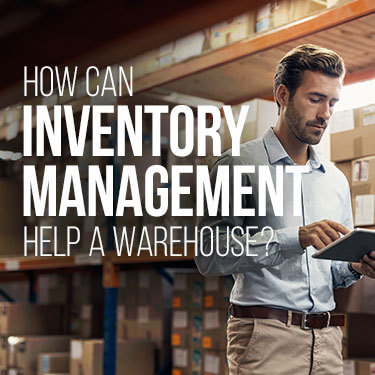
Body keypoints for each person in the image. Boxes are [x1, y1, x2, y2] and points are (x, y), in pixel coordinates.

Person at [195, 44, 375, 375]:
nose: (325, 113)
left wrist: (356, 266)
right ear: (282, 95)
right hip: (266, 340)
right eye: (315, 98)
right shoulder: (238, 165)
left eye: (333, 102)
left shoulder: (335, 179)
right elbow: (210, 255)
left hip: (328, 342)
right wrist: (295, 238)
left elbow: (330, 272)